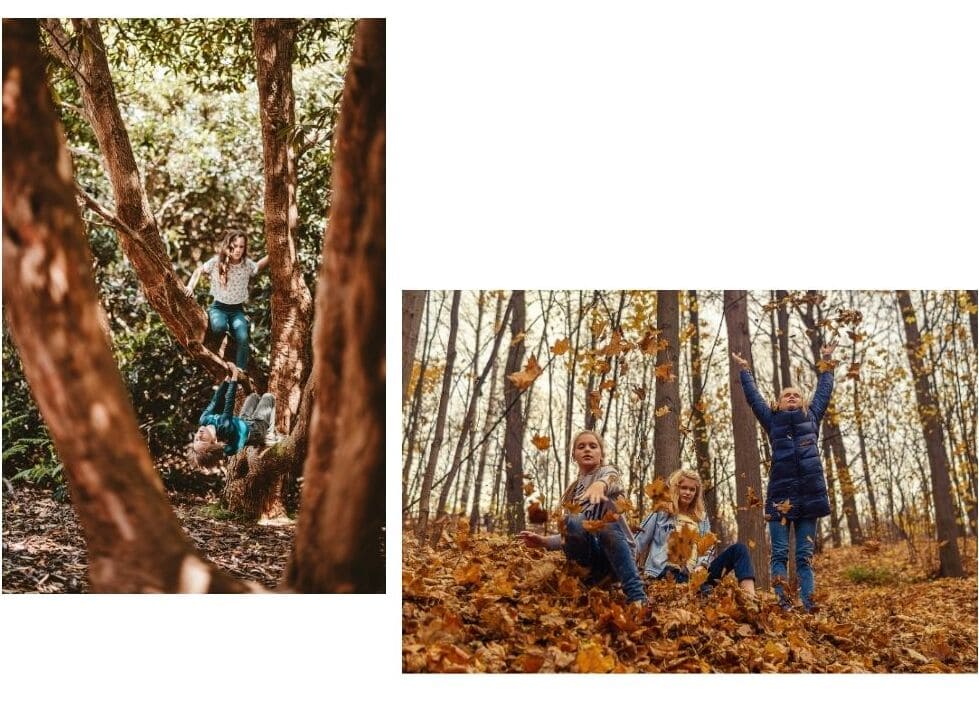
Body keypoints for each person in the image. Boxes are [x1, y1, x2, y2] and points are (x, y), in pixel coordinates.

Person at [732, 340, 838, 611]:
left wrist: (826, 360)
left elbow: (824, 391)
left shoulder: (812, 418)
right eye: (786, 395)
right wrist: (745, 371)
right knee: (779, 553)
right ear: (778, 403)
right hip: (781, 497)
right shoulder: (773, 421)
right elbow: (754, 398)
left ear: (803, 402)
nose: (791, 397)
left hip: (810, 497)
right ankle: (784, 604)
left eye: (796, 395)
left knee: (804, 557)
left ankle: (809, 605)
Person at [519, 430, 648, 606]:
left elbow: (613, 478)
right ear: (574, 455)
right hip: (591, 561)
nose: (587, 449)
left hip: (618, 560)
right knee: (570, 520)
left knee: (605, 524)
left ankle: (637, 596)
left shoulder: (608, 473)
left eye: (593, 446)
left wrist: (600, 485)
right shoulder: (573, 491)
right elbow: (573, 532)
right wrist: (543, 541)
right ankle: (586, 583)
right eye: (581, 447)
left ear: (601, 455)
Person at [635, 468, 756, 600]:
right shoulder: (662, 512)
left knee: (739, 549)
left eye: (692, 490)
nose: (688, 493)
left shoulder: (701, 518)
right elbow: (637, 541)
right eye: (684, 488)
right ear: (676, 489)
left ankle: (751, 600)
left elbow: (708, 547)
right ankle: (700, 594)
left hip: (696, 575)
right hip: (665, 572)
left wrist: (702, 565)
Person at [183, 231, 268, 369]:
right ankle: (227, 330)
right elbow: (199, 270)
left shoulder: (246, 264)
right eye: (235, 246)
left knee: (243, 338)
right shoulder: (216, 263)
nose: (238, 250)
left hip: (237, 310)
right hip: (219, 308)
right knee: (219, 327)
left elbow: (257, 267)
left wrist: (273, 254)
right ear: (228, 246)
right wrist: (190, 286)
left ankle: (240, 370)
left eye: (241, 247)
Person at [187, 366, 276, 470]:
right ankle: (269, 434)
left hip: (242, 421)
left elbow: (216, 400)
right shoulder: (223, 427)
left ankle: (246, 438)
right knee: (268, 397)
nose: (199, 434)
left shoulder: (204, 420)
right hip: (255, 429)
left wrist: (227, 379)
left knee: (253, 397)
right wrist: (234, 377)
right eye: (202, 440)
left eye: (196, 438)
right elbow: (229, 401)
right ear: (214, 441)